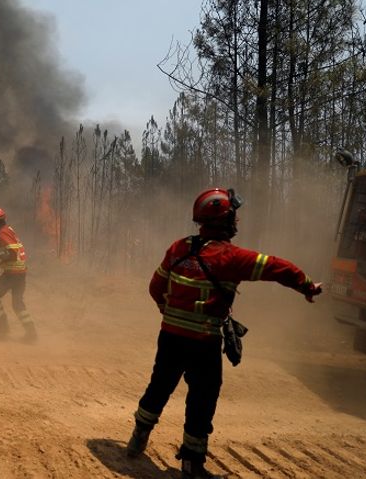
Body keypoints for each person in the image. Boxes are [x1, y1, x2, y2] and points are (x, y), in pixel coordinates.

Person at [126, 188, 322, 479]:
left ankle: (137, 438)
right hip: (203, 342)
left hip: (169, 337)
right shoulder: (231, 257)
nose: (237, 221)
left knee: (160, 385)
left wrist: (168, 312)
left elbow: (156, 287)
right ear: (226, 219)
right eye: (234, 216)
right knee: (202, 398)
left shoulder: (178, 248)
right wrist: (307, 285)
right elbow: (277, 267)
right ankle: (192, 464)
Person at [0, 207, 37, 342]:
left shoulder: (3, 233)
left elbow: (11, 253)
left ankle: (3, 327)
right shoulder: (9, 230)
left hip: (12, 274)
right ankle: (31, 333)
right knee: (17, 303)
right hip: (20, 273)